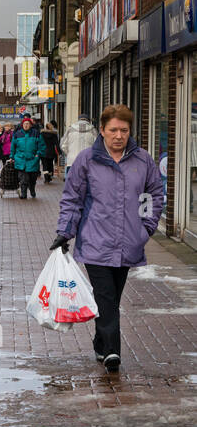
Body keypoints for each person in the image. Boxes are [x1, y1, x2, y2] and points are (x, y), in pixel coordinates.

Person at [53, 104, 165, 373]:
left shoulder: (143, 161)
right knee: (105, 295)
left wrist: (146, 229)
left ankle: (100, 340)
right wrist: (65, 231)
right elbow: (73, 199)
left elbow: (153, 196)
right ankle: (112, 350)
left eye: (124, 130)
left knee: (112, 298)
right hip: (95, 240)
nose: (118, 135)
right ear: (101, 130)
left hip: (129, 242)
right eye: (113, 130)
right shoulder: (86, 160)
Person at [11, 115, 47, 199]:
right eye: (24, 124)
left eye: (27, 123)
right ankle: (23, 193)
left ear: (30, 125)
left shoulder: (36, 133)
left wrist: (38, 154)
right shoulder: (17, 134)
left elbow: (41, 145)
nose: (26, 125)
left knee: (32, 178)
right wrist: (12, 156)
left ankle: (32, 189)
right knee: (23, 178)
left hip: (32, 160)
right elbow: (13, 146)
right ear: (22, 125)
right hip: (20, 159)